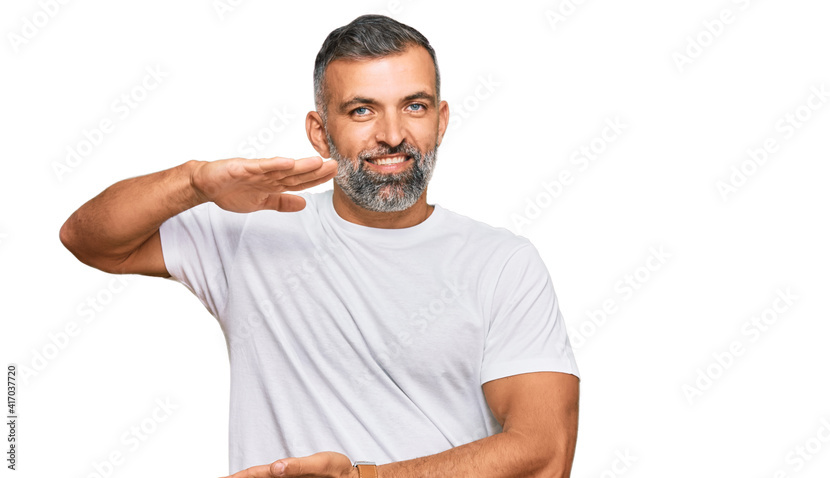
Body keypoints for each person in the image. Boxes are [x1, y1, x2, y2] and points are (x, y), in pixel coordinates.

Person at [60, 14, 580, 478]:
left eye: (414, 106)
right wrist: (193, 182)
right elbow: (88, 239)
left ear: (440, 120)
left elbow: (545, 454)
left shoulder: (503, 263)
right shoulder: (251, 229)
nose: (393, 134)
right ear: (319, 131)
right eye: (361, 111)